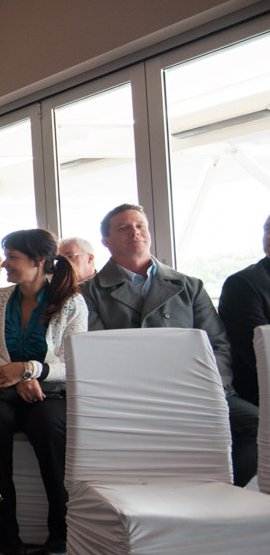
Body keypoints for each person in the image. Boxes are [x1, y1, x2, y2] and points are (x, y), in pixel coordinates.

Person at [80, 204, 259, 486]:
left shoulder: (190, 286)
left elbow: (218, 345)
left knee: (256, 424)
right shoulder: (88, 293)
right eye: (123, 228)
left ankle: (224, 493)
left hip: (198, 390)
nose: (135, 232)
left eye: (140, 225)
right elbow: (98, 354)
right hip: (132, 397)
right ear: (106, 241)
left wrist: (213, 389)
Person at [0, 228, 86, 555]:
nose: (5, 264)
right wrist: (18, 377)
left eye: (13, 257)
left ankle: (62, 530)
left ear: (39, 261)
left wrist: (32, 371)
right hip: (3, 387)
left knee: (49, 427)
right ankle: (3, 528)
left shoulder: (72, 303)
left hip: (50, 392)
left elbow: (73, 362)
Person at [219, 214, 270, 405]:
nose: (269, 236)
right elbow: (258, 353)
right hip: (258, 392)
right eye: (267, 229)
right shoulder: (242, 285)